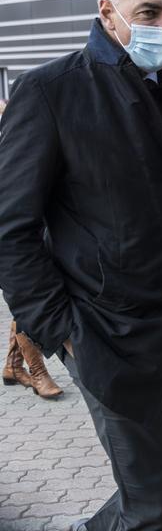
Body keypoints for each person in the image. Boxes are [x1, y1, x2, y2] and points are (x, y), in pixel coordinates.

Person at [0, 0, 162, 531]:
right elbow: (10, 228)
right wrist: (61, 330)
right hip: (106, 334)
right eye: (150, 12)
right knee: (154, 508)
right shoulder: (50, 93)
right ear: (108, 13)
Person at [0, 99, 63, 399]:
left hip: (28, 232)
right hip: (8, 240)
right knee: (21, 300)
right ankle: (37, 372)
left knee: (20, 301)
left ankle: (13, 364)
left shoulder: (18, 141)